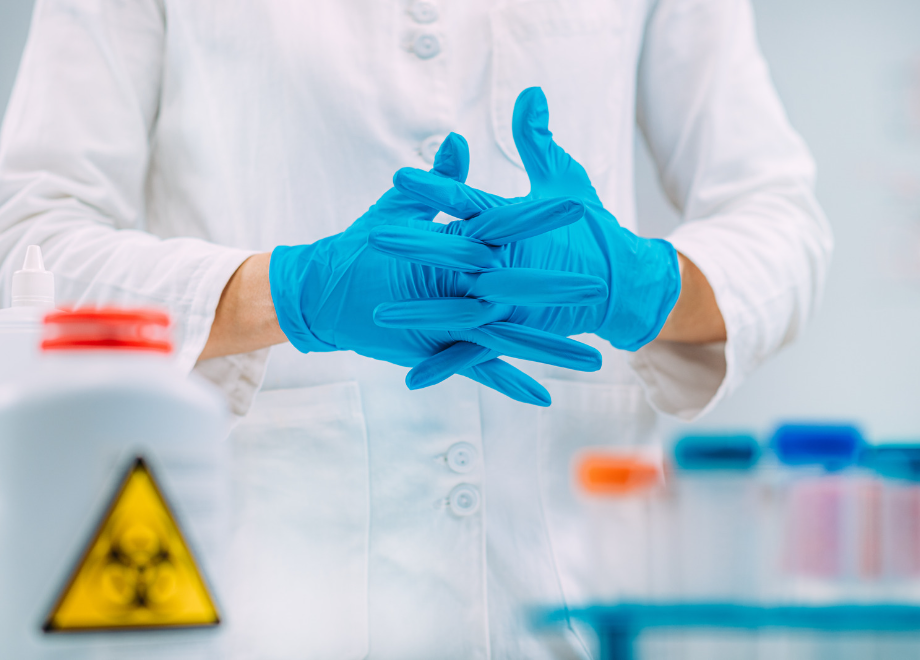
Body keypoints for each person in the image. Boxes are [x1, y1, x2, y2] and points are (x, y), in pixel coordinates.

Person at [0, 0, 832, 658]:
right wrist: (286, 293)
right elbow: (28, 240)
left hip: (565, 606)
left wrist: (643, 284)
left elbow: (781, 225)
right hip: (261, 605)